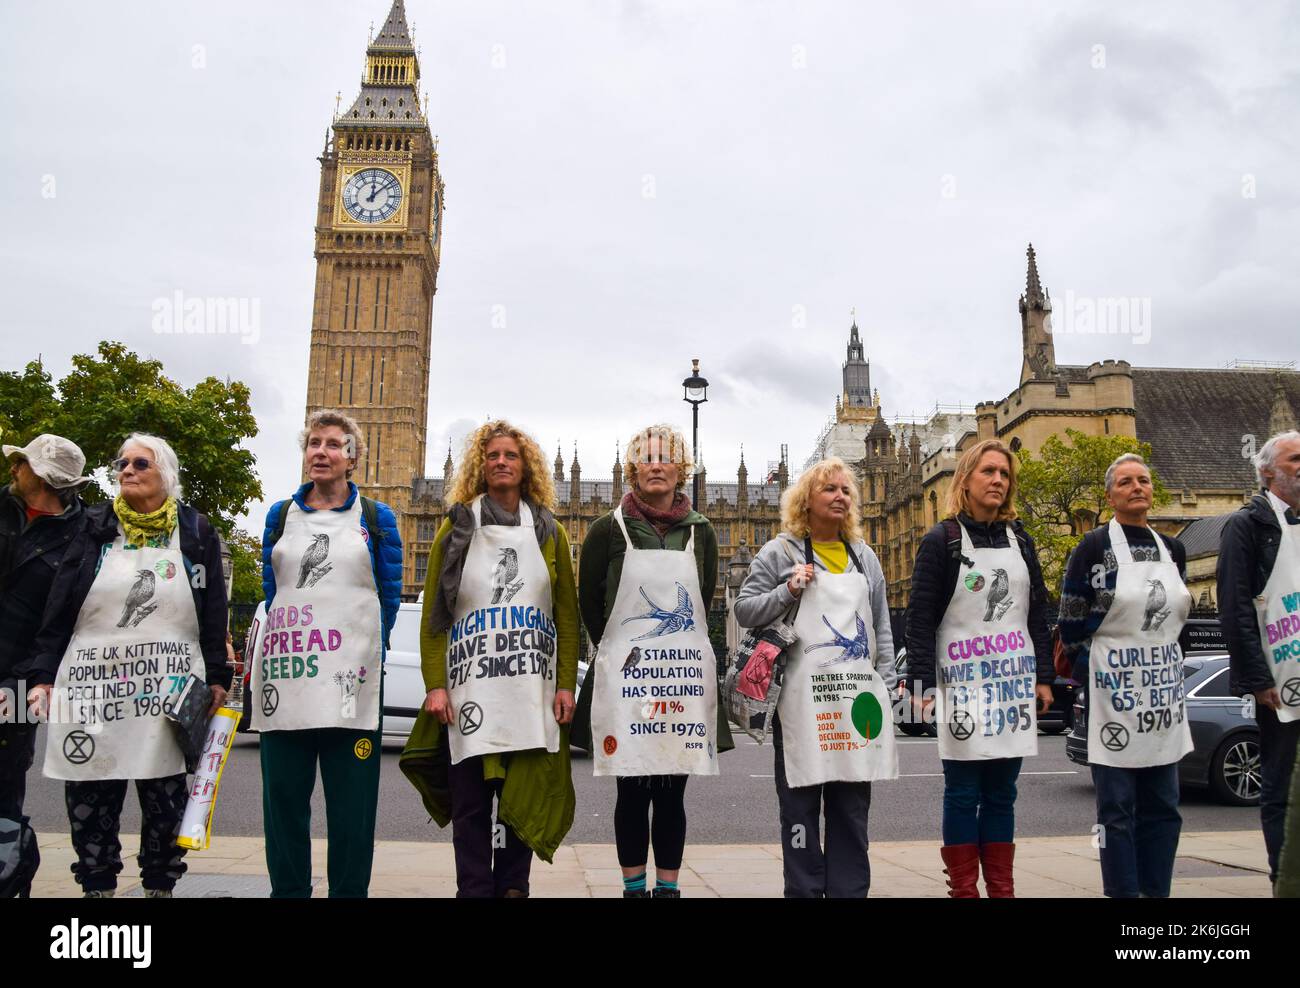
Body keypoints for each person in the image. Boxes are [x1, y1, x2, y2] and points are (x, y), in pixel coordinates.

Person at [27, 433, 229, 897]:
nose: (127, 470)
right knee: (90, 795)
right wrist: (42, 675)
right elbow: (58, 607)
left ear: (166, 475)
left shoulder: (195, 531)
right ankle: (97, 887)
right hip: (91, 687)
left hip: (170, 688)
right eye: (122, 463)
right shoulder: (91, 526)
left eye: (141, 464)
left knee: (166, 799)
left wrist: (217, 676)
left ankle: (160, 886)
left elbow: (213, 610)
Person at [400, 420, 579, 898]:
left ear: (527, 468)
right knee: (472, 807)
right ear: (481, 465)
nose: (501, 462)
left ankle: (514, 888)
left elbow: (567, 617)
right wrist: (435, 685)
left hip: (529, 690)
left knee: (525, 799)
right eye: (493, 455)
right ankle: (474, 891)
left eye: (511, 455)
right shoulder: (455, 527)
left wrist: (566, 685)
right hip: (471, 691)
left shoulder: (549, 531)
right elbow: (434, 616)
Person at [573, 424, 732, 899]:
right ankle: (633, 890)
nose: (656, 464)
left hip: (679, 679)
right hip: (629, 680)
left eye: (666, 457)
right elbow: (590, 602)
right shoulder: (607, 528)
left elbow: (701, 601)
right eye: (647, 457)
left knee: (672, 792)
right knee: (631, 790)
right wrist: (622, 653)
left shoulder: (701, 531)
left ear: (681, 469)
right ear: (634, 468)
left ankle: (668, 890)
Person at [735, 456, 896, 898]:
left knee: (851, 812)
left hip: (854, 705)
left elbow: (881, 626)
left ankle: (849, 892)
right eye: (830, 489)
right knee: (800, 812)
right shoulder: (780, 552)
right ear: (806, 500)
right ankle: (804, 891)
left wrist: (886, 685)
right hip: (800, 706)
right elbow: (744, 610)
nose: (841, 496)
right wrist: (787, 588)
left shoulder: (864, 558)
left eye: (846, 490)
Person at [256, 409, 402, 898]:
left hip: (350, 690)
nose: (322, 451)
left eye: (333, 444)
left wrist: (363, 655)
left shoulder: (377, 520)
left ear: (352, 458)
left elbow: (389, 596)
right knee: (283, 809)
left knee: (352, 814)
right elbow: (272, 593)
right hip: (288, 685)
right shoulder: (279, 517)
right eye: (314, 443)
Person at [905, 439, 1054, 898]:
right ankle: (965, 890)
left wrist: (1044, 677)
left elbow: (1037, 614)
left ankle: (1002, 889)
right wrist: (920, 687)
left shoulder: (1021, 540)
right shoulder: (942, 541)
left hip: (1011, 685)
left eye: (1004, 475)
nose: (997, 481)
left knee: (1003, 793)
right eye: (988, 472)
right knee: (963, 791)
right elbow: (920, 618)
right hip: (961, 686)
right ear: (966, 479)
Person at [1059, 452, 1192, 898]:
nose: (1138, 488)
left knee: (1165, 808)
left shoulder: (1173, 549)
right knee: (1116, 810)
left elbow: (1178, 623)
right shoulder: (1092, 548)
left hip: (1161, 701)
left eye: (1144, 480)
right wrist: (1097, 674)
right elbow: (1071, 624)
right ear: (1110, 495)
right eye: (1127, 482)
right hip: (1112, 698)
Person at [0, 435, 89, 897]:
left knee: (4, 780)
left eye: (22, 464)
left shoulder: (81, 536)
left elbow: (62, 621)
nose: (14, 468)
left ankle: (10, 872)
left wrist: (31, 678)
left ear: (44, 478)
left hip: (17, 678)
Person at [1218, 429, 1300, 886]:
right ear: (1268, 471)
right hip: (1280, 680)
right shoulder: (1247, 525)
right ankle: (1284, 878)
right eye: (1294, 459)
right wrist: (1256, 676)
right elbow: (1233, 606)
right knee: (1282, 786)